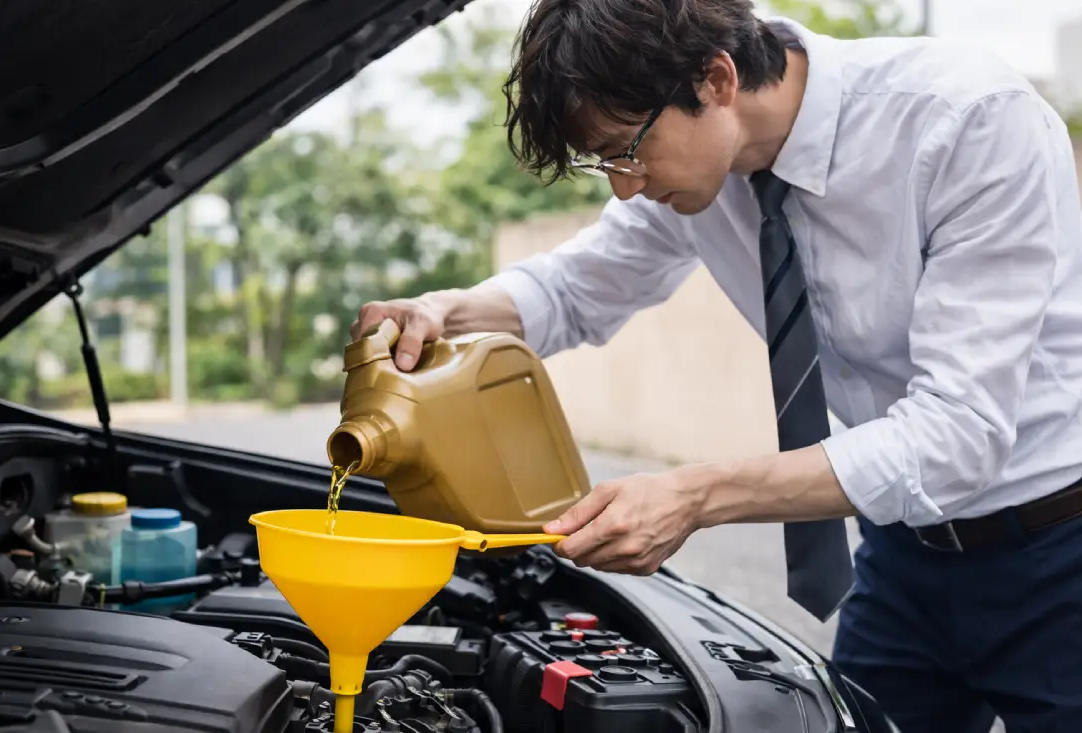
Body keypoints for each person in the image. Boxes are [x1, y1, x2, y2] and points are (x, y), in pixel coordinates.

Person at [350, 1, 1082, 731]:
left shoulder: (968, 121)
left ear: (716, 77)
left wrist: (696, 494)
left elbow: (957, 436)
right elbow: (574, 287)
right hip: (901, 551)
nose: (623, 184)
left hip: (1059, 555)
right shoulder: (698, 165)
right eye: (603, 161)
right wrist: (444, 310)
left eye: (625, 148)